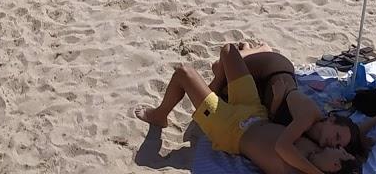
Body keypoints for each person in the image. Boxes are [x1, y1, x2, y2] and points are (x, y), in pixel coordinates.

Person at [135, 44, 362, 174]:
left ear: (334, 165)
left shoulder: (300, 169)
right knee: (229, 52)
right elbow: (360, 138)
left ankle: (159, 116)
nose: (338, 146)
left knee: (184, 73)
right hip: (254, 111)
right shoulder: (316, 147)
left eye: (341, 150)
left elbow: (283, 147)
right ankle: (214, 86)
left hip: (230, 129)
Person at [205, 46, 376, 152]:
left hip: (266, 90)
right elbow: (281, 145)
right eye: (336, 136)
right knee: (218, 70)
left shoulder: (313, 137)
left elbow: (354, 131)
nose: (333, 143)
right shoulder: (308, 115)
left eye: (337, 144)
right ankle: (260, 50)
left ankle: (258, 49)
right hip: (272, 68)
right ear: (331, 120)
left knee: (224, 79)